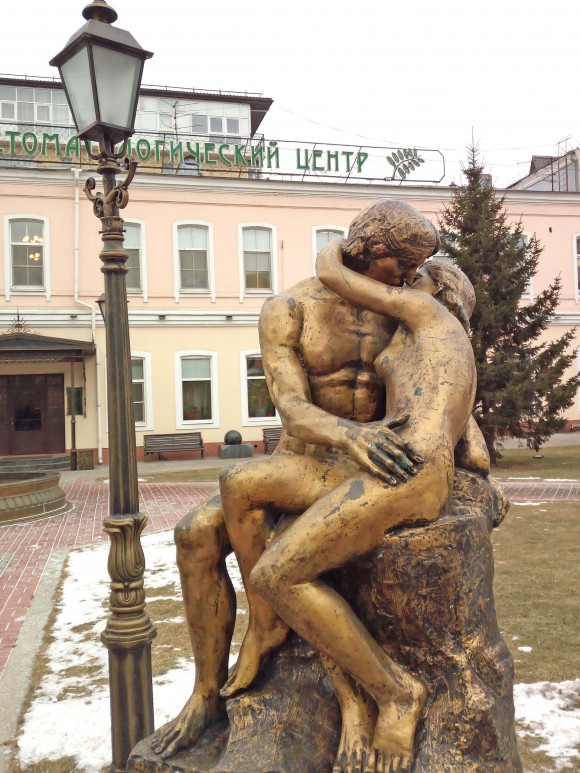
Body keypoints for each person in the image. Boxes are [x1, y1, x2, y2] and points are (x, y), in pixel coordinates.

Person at [152, 200, 441, 761]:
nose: (409, 277)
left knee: (246, 498)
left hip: (373, 465)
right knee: (194, 532)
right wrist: (347, 433)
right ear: (373, 251)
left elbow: (443, 380)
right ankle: (207, 691)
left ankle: (302, 647)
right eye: (401, 266)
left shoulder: (407, 305)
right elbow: (290, 406)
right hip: (307, 457)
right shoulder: (289, 307)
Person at [222, 248, 479, 773]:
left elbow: (333, 274)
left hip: (402, 473)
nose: (407, 284)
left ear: (442, 296)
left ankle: (397, 693)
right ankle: (279, 639)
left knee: (277, 574)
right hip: (398, 465)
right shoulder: (434, 340)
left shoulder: (432, 317)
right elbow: (474, 450)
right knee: (249, 516)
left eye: (417, 279)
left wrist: (336, 252)